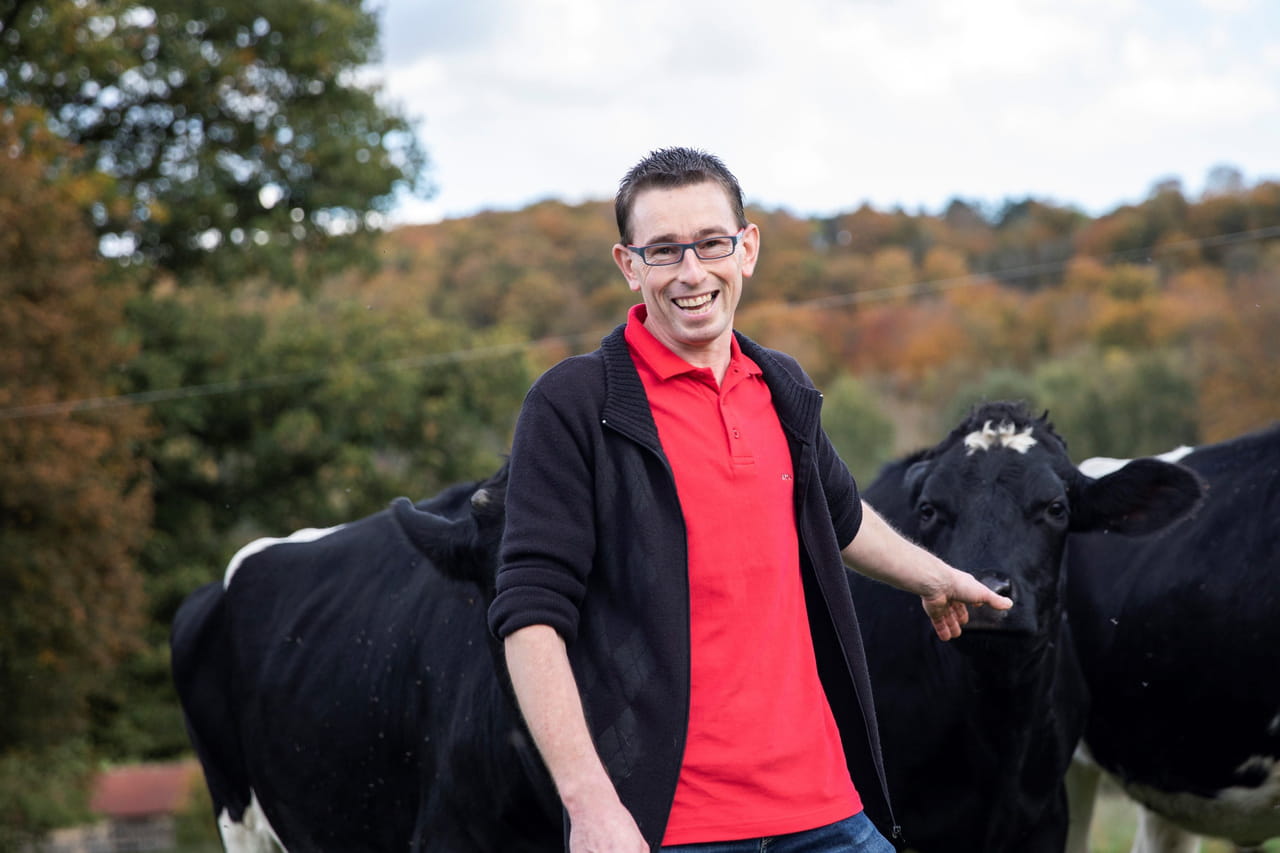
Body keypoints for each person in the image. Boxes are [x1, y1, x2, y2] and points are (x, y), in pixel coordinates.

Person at [487, 147, 1011, 853]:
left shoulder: (781, 385)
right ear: (628, 264)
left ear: (748, 248)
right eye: (664, 251)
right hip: (671, 828)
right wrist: (590, 805)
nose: (692, 272)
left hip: (827, 811)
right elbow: (529, 614)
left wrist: (934, 575)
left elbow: (841, 514)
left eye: (710, 243)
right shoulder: (576, 404)